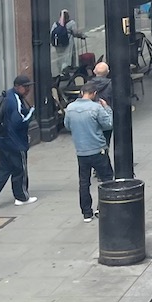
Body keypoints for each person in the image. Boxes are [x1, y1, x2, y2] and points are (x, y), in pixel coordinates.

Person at [0, 74, 36, 210]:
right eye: (26, 87)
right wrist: (31, 112)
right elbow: (19, 121)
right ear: (18, 87)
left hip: (1, 139)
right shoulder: (14, 100)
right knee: (20, 169)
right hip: (14, 141)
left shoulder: (7, 95)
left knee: (4, 168)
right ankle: (22, 197)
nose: (28, 90)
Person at [64, 83, 114, 221]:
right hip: (98, 149)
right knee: (107, 179)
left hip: (81, 151)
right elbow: (108, 124)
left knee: (84, 182)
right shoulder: (96, 107)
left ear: (81, 92)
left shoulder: (70, 108)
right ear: (94, 93)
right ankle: (102, 208)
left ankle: (86, 213)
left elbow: (67, 126)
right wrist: (107, 108)